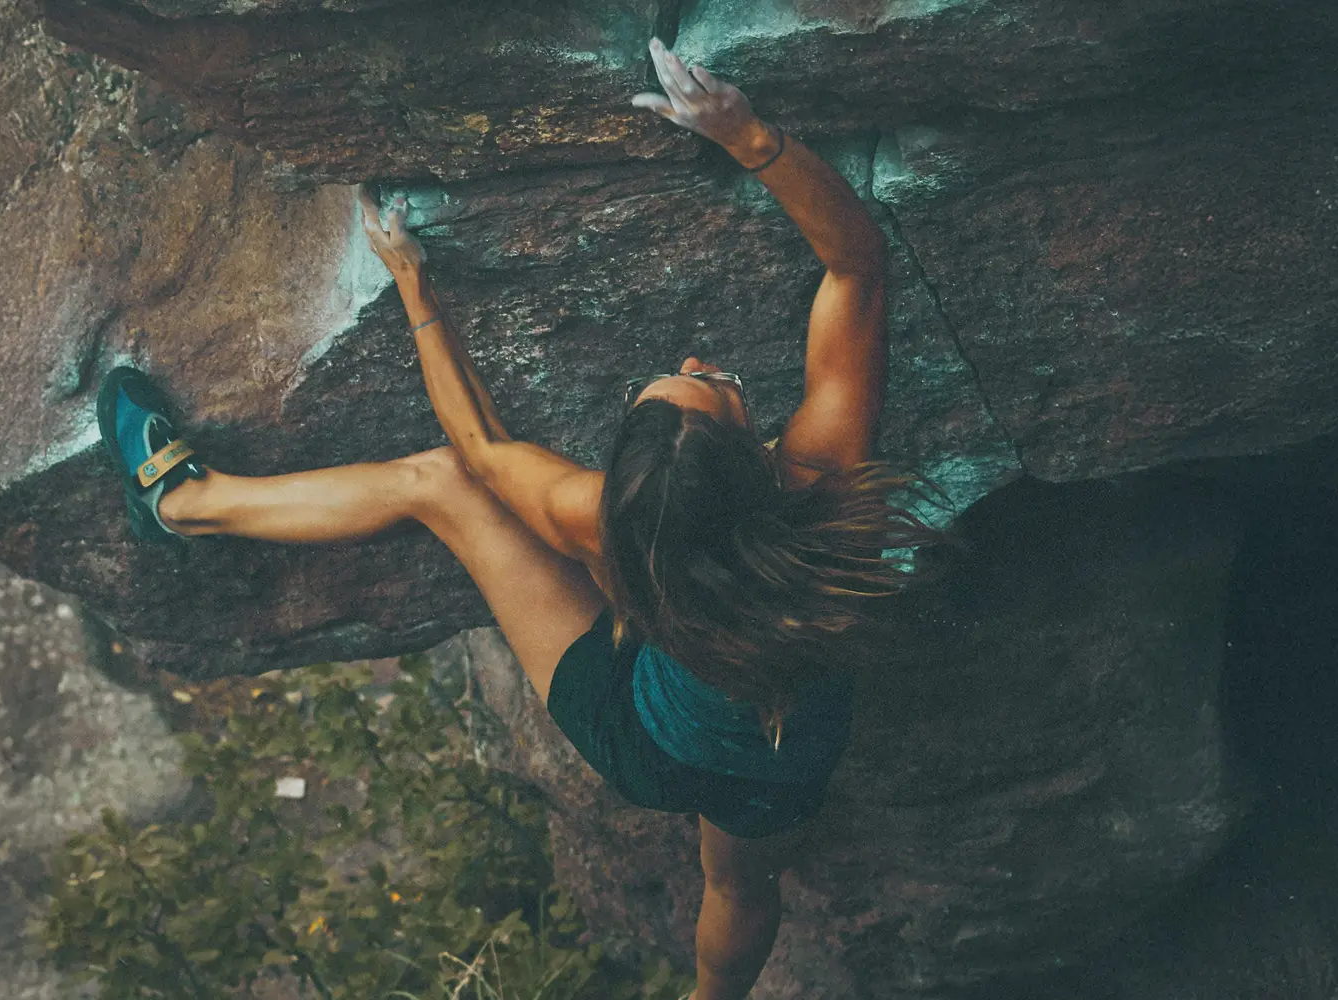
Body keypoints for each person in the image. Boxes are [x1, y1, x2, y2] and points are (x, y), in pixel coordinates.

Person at [96, 37, 943, 1000]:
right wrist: (746, 134)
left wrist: (414, 284)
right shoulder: (825, 493)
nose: (697, 363)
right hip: (775, 757)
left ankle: (186, 503)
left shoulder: (597, 518)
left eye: (701, 381)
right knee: (740, 883)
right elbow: (857, 268)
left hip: (645, 738)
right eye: (707, 382)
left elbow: (478, 446)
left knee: (438, 484)